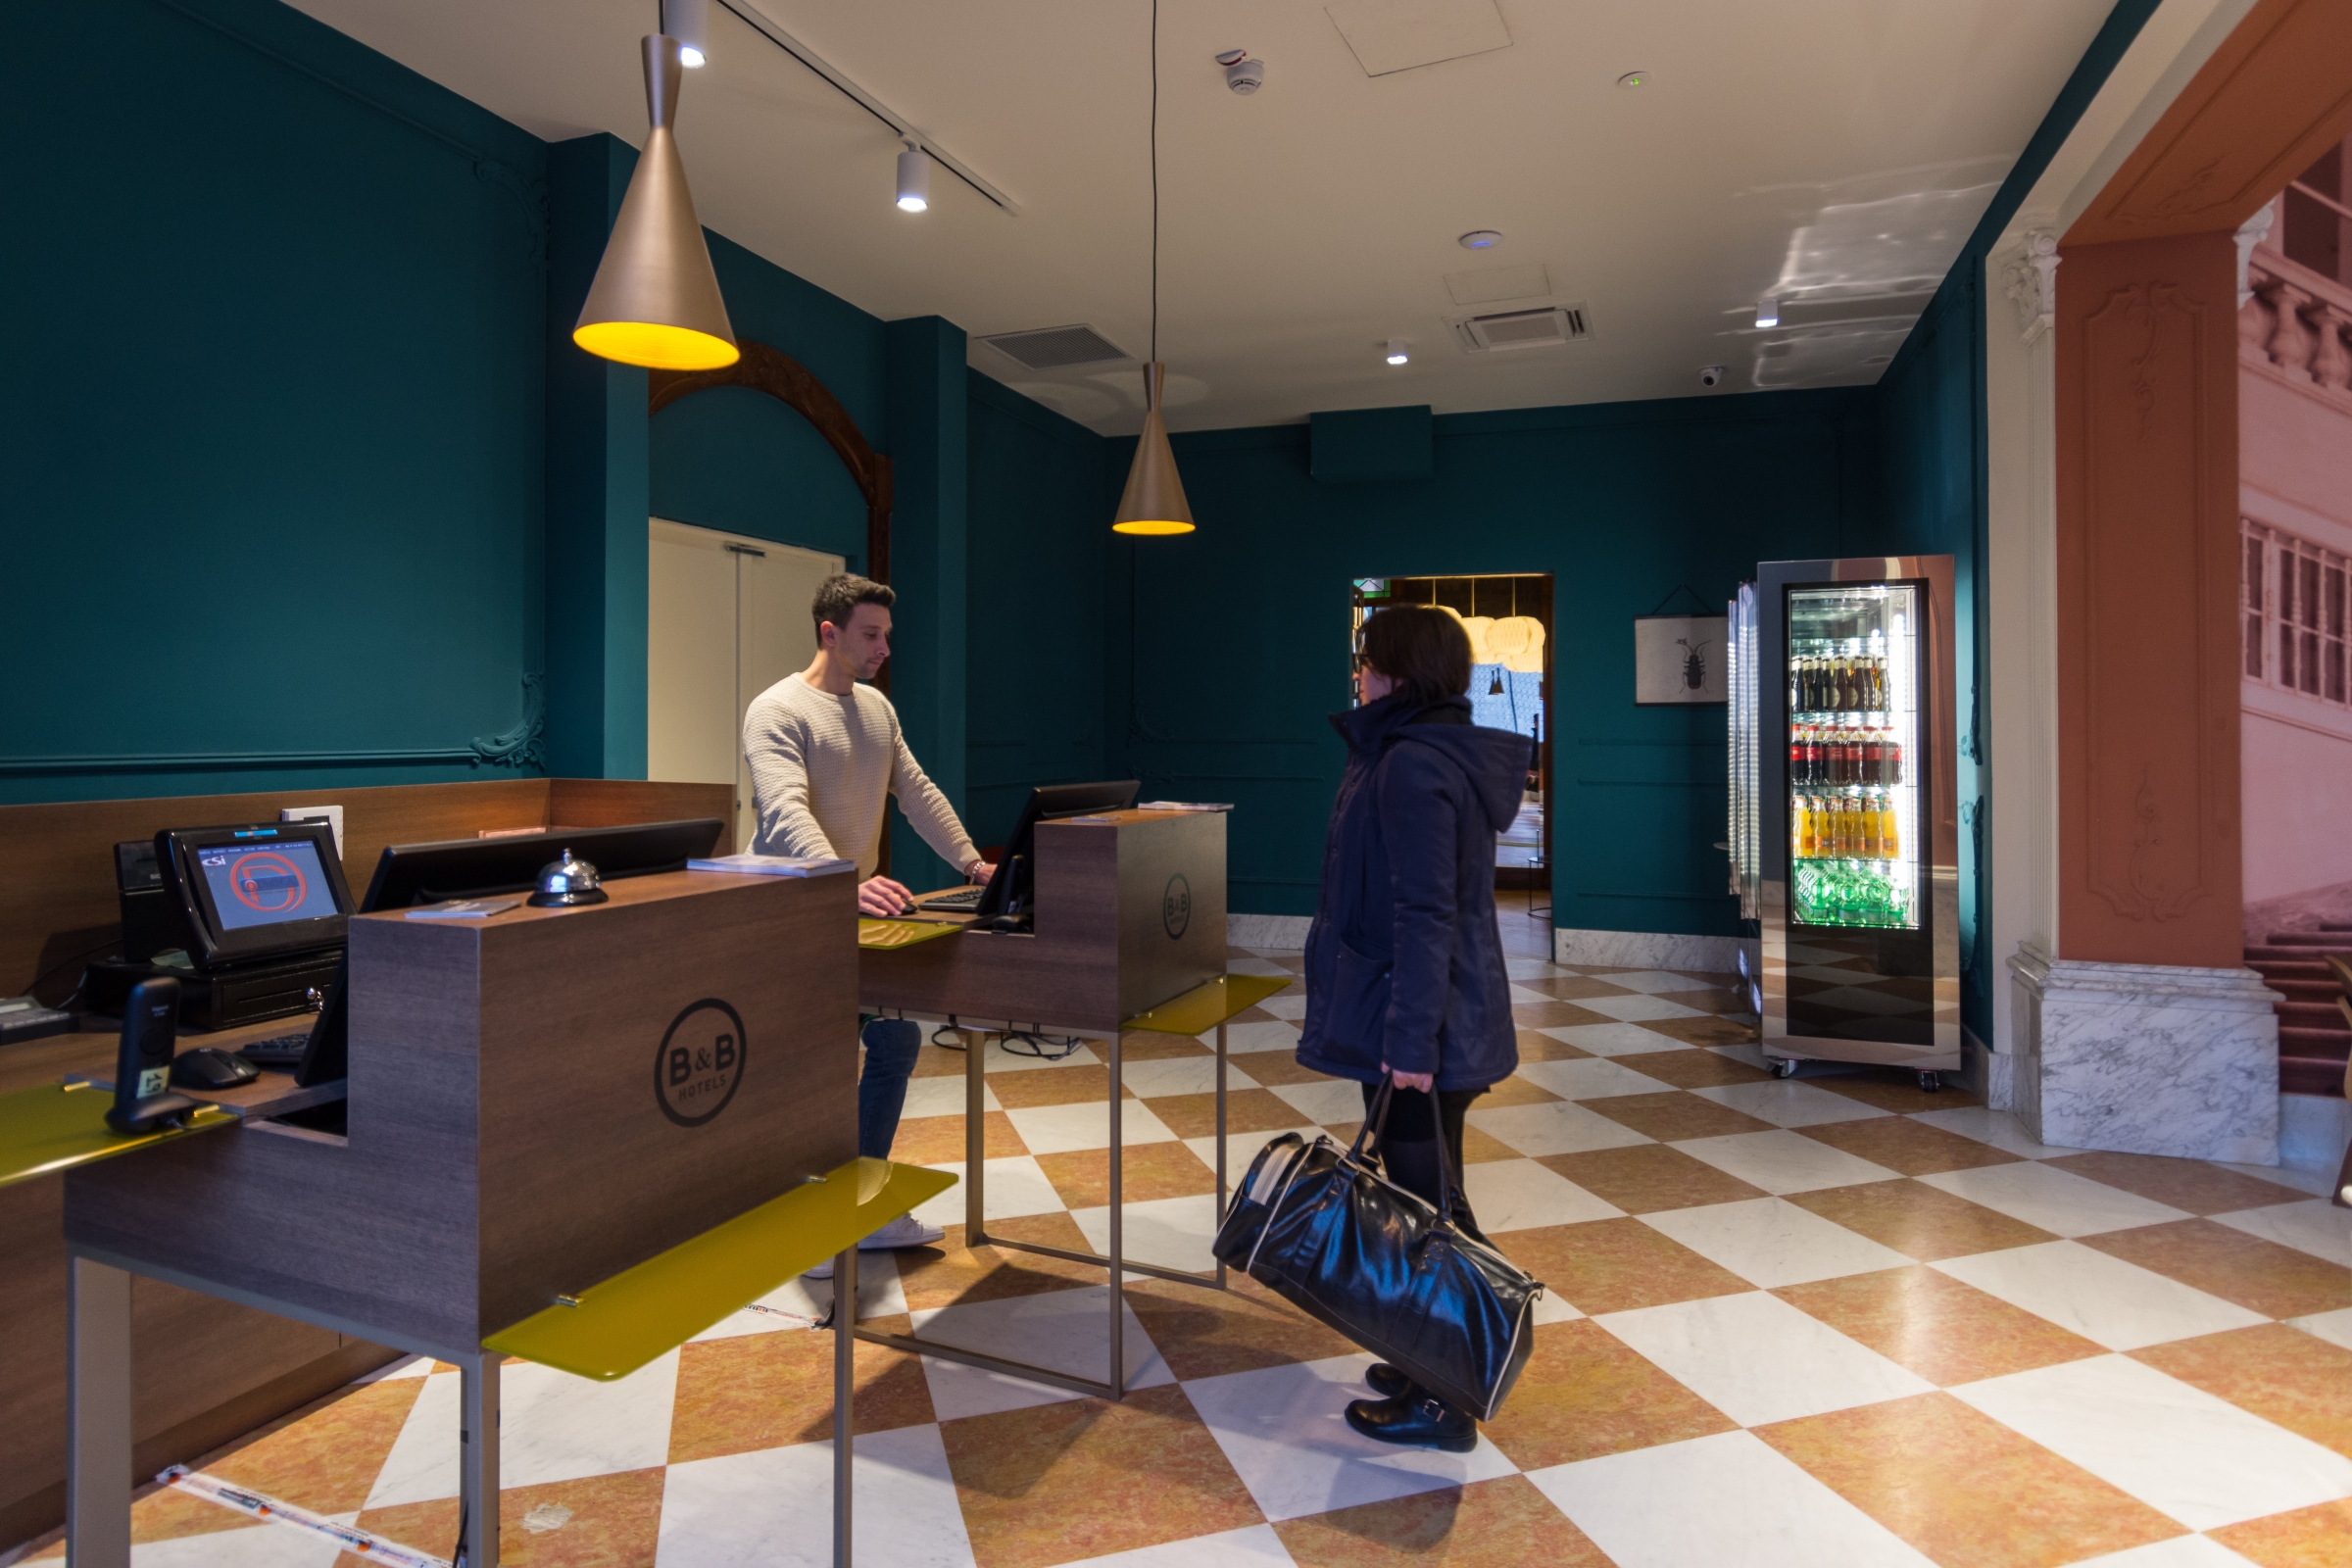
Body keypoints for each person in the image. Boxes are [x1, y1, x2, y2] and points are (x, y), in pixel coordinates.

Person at [1296, 604, 1532, 1451]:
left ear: (1396, 673)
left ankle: (1446, 1396)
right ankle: (1426, 1357)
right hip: (1425, 1016)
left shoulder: (1411, 764)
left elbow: (1425, 913)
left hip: (1419, 1025)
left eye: (1367, 663)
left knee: (1432, 1214)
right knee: (1423, 1201)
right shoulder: (1421, 752)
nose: (1358, 677)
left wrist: (1408, 1046)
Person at [743, 572, 996, 1266]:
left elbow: (916, 792)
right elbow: (785, 809)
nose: (885, 647)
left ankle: (858, 1203)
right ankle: (808, 1219)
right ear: (830, 632)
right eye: (871, 634)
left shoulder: (878, 710)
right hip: (788, 916)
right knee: (817, 1066)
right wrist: (845, 881)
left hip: (846, 913)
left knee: (894, 1040)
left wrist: (974, 865)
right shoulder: (776, 710)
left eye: (887, 634)